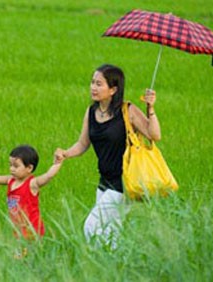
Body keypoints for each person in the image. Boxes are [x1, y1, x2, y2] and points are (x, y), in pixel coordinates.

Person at [55, 64, 161, 248]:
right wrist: (66, 153)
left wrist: (150, 108)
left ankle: (99, 266)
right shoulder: (91, 112)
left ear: (113, 89)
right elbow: (82, 144)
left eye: (99, 84)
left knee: (91, 227)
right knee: (110, 234)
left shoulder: (127, 111)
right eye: (92, 82)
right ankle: (114, 270)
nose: (93, 87)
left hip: (124, 182)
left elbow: (155, 135)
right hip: (104, 181)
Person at [0, 145, 63, 257]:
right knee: (20, 259)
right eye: (10, 165)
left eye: (16, 166)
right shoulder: (11, 181)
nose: (11, 169)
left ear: (29, 168)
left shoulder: (32, 184)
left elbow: (48, 176)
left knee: (26, 259)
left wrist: (58, 163)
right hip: (17, 232)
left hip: (32, 233)